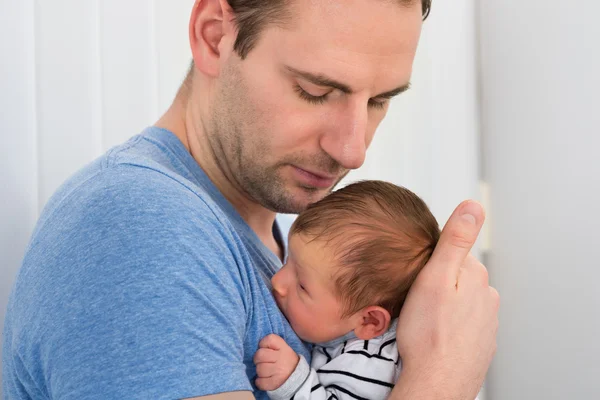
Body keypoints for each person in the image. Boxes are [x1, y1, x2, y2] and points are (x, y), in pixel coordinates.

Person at [2, 1, 499, 399]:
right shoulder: (139, 226)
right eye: (315, 90)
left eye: (378, 101)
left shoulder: (278, 242)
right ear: (215, 37)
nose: (354, 148)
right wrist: (443, 377)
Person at [254, 180, 442, 399]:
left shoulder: (368, 365)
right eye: (287, 261)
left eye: (303, 286)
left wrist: (293, 381)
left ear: (369, 322)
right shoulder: (346, 327)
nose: (277, 281)